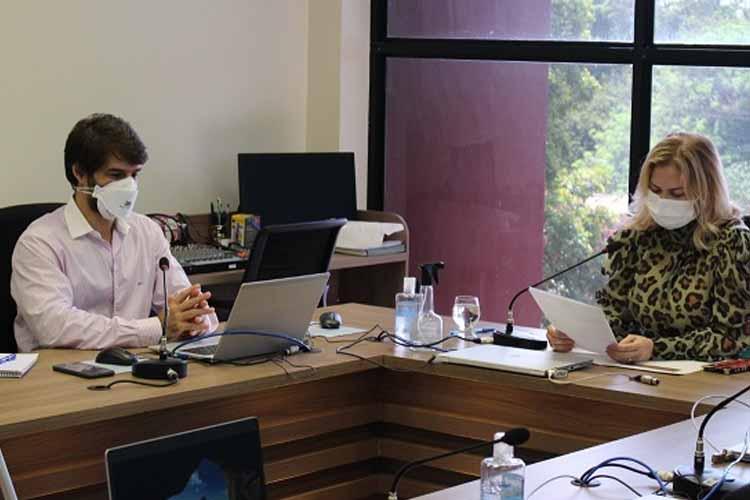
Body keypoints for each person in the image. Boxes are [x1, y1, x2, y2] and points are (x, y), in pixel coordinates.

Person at [12, 113, 218, 352]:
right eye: (116, 175)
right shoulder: (39, 242)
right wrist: (157, 327)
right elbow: (54, 328)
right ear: (79, 173)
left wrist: (194, 321)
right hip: (59, 369)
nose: (129, 187)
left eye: (134, 175)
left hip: (135, 365)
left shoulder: (147, 232)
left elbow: (187, 304)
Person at [547, 132, 750, 362]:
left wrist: (656, 349)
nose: (663, 201)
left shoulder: (731, 242)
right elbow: (614, 314)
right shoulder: (635, 237)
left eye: (677, 194)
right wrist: (574, 331)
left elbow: (731, 338)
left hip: (703, 379)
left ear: (707, 192)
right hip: (636, 373)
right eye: (655, 190)